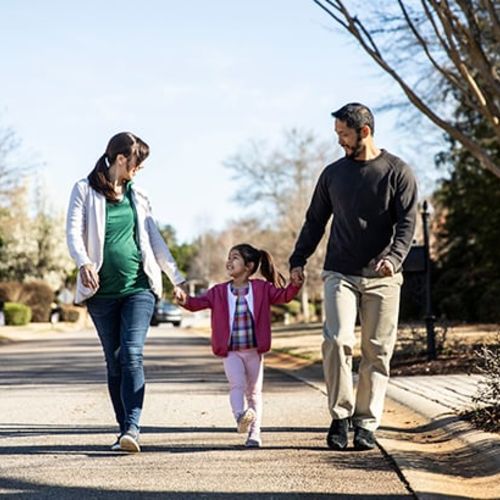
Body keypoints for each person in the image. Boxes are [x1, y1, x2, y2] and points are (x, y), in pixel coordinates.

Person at [289, 103, 417, 451]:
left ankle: (366, 422)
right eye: (337, 135)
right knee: (336, 340)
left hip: (383, 275)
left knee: (377, 350)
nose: (339, 141)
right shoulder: (333, 174)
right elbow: (315, 220)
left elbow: (407, 224)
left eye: (343, 134)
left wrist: (394, 258)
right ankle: (340, 416)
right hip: (340, 272)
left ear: (364, 131)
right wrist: (298, 258)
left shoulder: (397, 172)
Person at [66, 132, 186, 453]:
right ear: (121, 159)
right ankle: (124, 432)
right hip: (101, 292)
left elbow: (155, 240)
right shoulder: (84, 190)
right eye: (137, 163)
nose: (139, 169)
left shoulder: (139, 196)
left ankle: (133, 424)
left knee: (131, 353)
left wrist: (176, 277)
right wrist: (83, 262)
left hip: (139, 287)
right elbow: (74, 232)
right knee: (114, 361)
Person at [175, 243, 303, 448]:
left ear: (249, 266)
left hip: (254, 351)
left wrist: (295, 284)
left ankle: (254, 434)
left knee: (254, 393)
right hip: (231, 352)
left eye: (235, 258)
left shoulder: (261, 289)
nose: (229, 261)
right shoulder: (218, 291)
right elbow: (196, 303)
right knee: (237, 385)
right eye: (229, 257)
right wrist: (184, 300)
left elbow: (285, 296)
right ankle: (240, 417)